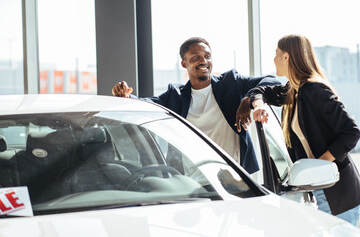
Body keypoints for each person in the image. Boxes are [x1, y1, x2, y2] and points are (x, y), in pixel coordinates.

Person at [238, 34, 360, 225]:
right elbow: (259, 90)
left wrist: (319, 166)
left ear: (287, 57)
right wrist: (258, 105)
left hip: (336, 192)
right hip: (316, 185)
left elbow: (352, 132)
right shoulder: (293, 90)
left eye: (276, 53)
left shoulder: (315, 89)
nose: (273, 59)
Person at [112, 37, 280, 174]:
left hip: (236, 180)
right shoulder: (175, 95)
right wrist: (126, 96)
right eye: (196, 57)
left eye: (207, 56)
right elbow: (147, 106)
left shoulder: (231, 83)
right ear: (184, 63)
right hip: (192, 183)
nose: (203, 61)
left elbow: (272, 81)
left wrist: (247, 100)